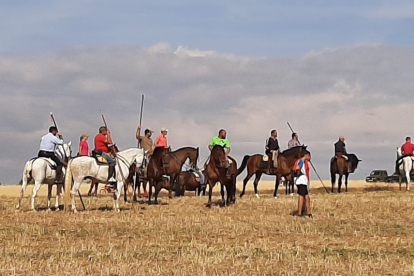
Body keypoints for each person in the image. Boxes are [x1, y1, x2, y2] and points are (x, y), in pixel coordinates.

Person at [293, 149, 312, 218]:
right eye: (309, 156)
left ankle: (308, 212)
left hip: (302, 181)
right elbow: (297, 168)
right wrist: (301, 173)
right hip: (301, 181)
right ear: (306, 155)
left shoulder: (301, 161)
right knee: (302, 196)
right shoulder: (301, 161)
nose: (310, 158)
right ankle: (300, 214)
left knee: (306, 196)